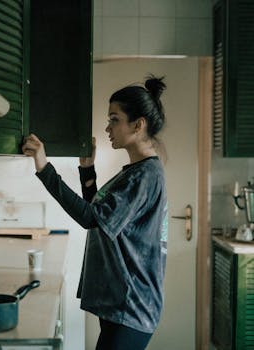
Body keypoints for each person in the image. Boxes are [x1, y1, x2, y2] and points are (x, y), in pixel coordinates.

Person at [22, 75, 168, 350]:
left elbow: (90, 218)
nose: (108, 127)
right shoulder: (138, 173)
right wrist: (87, 170)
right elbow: (100, 216)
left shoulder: (144, 177)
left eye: (114, 119)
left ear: (138, 125)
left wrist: (44, 169)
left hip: (132, 306)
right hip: (124, 303)